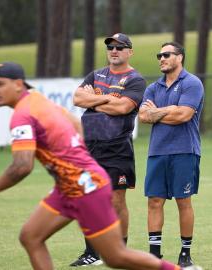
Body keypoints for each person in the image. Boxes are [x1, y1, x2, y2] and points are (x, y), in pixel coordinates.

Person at [0, 62, 203, 270]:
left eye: (0, 84)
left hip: (84, 187)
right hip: (69, 186)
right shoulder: (38, 100)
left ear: (18, 84)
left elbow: (22, 166)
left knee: (116, 257)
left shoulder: (21, 115)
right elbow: (76, 125)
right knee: (30, 236)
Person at [71, 33, 146, 266]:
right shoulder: (97, 74)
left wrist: (96, 98)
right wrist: (107, 102)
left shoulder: (135, 80)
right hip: (89, 146)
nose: (114, 51)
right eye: (110, 47)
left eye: (120, 47)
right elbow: (77, 98)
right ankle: (91, 253)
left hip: (117, 148)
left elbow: (123, 107)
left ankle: (120, 250)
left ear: (129, 52)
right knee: (88, 198)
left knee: (116, 200)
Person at [138, 42, 204, 267]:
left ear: (180, 57)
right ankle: (154, 257)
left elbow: (183, 116)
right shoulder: (153, 87)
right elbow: (143, 117)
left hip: (185, 150)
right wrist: (169, 109)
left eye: (166, 54)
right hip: (157, 152)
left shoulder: (192, 83)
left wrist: (157, 111)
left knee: (183, 201)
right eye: (159, 55)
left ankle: (185, 255)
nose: (161, 58)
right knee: (154, 201)